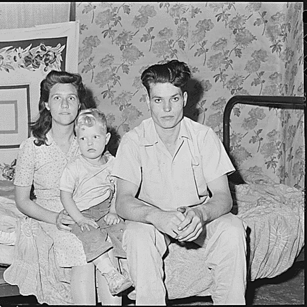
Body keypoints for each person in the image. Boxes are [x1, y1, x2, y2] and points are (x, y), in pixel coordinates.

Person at [112, 60, 247, 305]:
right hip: (153, 218)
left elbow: (223, 197)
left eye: (173, 99)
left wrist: (201, 213)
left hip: (196, 214)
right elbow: (122, 201)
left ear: (184, 98)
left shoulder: (204, 137)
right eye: (157, 100)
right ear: (147, 101)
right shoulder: (133, 141)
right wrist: (156, 216)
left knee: (233, 229)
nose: (166, 109)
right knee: (135, 234)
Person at [14, 70, 121, 305]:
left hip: (90, 210)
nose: (64, 104)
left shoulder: (88, 139)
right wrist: (55, 218)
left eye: (71, 98)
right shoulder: (32, 146)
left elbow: (111, 176)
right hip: (50, 214)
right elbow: (22, 201)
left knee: (108, 246)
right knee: (79, 249)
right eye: (57, 98)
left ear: (79, 103)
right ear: (46, 104)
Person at [60, 108, 132, 296]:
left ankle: (127, 268)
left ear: (106, 138)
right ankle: (110, 274)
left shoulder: (113, 163)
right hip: (82, 212)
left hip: (106, 209)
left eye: (95, 137)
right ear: (77, 141)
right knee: (91, 238)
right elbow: (65, 196)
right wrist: (79, 219)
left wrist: (115, 211)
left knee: (122, 231)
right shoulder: (74, 168)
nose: (89, 143)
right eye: (83, 139)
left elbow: (118, 189)